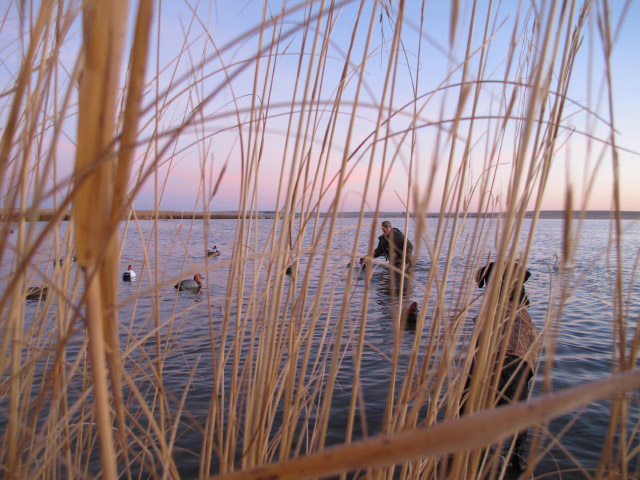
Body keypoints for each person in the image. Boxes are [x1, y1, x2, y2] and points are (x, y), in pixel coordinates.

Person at [463, 261, 539, 472]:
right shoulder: (525, 321)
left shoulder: (485, 318)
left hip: (485, 367)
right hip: (515, 368)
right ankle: (517, 459)